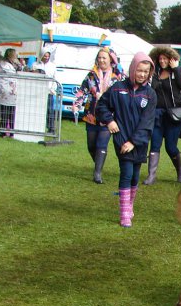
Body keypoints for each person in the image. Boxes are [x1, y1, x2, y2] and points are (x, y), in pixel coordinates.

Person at [95, 52, 156, 228]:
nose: (142, 74)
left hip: (139, 142)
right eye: (139, 70)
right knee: (126, 173)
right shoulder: (117, 88)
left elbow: (147, 121)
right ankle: (124, 214)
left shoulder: (150, 95)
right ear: (132, 68)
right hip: (121, 140)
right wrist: (110, 120)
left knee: (136, 175)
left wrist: (134, 142)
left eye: (146, 71)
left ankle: (129, 205)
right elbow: (101, 106)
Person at [72, 48, 125, 184]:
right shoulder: (91, 75)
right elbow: (82, 91)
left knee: (102, 144)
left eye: (104, 58)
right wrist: (76, 104)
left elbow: (124, 93)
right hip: (91, 115)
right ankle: (98, 163)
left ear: (111, 60)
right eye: (99, 57)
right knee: (91, 146)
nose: (101, 60)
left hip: (108, 116)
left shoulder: (118, 76)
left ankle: (97, 173)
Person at [143, 46, 181, 185]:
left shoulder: (178, 72)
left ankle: (180, 171)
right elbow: (151, 89)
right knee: (155, 145)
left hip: (173, 115)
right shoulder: (155, 73)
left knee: (170, 147)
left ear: (170, 59)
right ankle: (151, 175)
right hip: (157, 114)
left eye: (165, 58)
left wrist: (176, 68)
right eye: (160, 58)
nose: (162, 61)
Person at [0, 48, 20, 136]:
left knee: (9, 112)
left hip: (11, 91)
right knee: (5, 112)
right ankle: (5, 132)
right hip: (4, 90)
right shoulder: (2, 63)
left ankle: (9, 132)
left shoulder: (15, 63)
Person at [33, 49, 59, 134]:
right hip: (38, 91)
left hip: (49, 92)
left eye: (48, 56)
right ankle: (36, 126)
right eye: (45, 56)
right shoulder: (35, 65)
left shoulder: (53, 66)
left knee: (49, 110)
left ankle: (51, 128)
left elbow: (55, 79)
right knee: (37, 109)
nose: (47, 57)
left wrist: (52, 89)